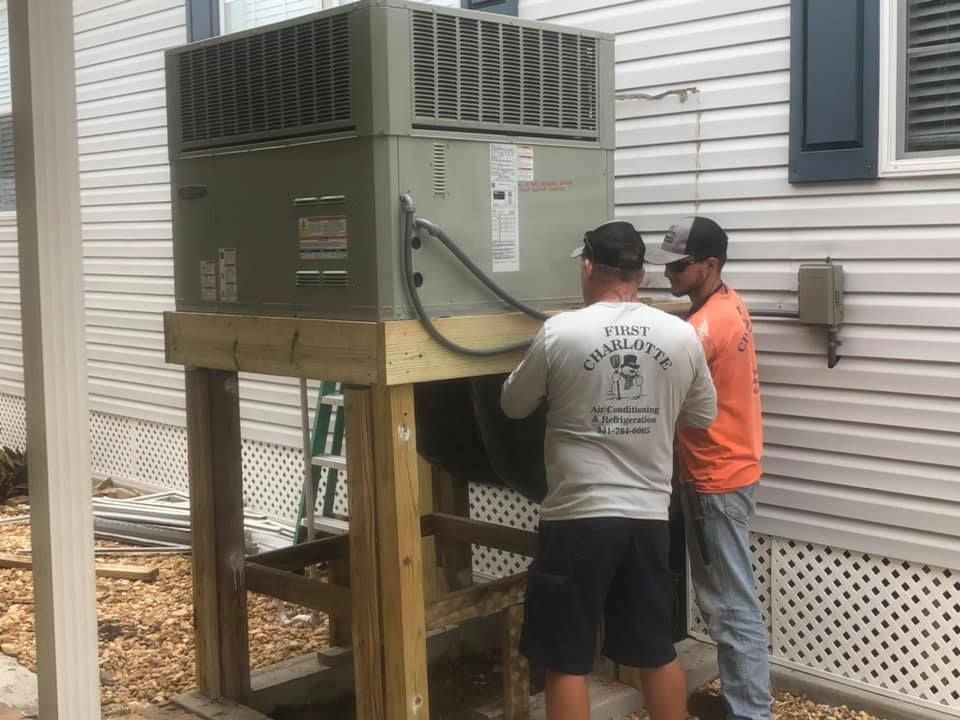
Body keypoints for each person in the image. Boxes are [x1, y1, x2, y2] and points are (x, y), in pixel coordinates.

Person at [500, 220, 717, 720]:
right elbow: (704, 415)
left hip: (578, 517)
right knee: (656, 650)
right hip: (647, 518)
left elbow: (512, 405)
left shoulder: (561, 332)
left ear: (588, 266)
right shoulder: (680, 335)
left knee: (567, 660)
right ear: (640, 274)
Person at [645, 216, 773, 720]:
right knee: (729, 599)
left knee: (729, 606)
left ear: (711, 265)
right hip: (734, 469)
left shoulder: (702, 329)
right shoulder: (726, 304)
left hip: (713, 480)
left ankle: (750, 713)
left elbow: (661, 377)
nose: (668, 274)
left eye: (679, 266)